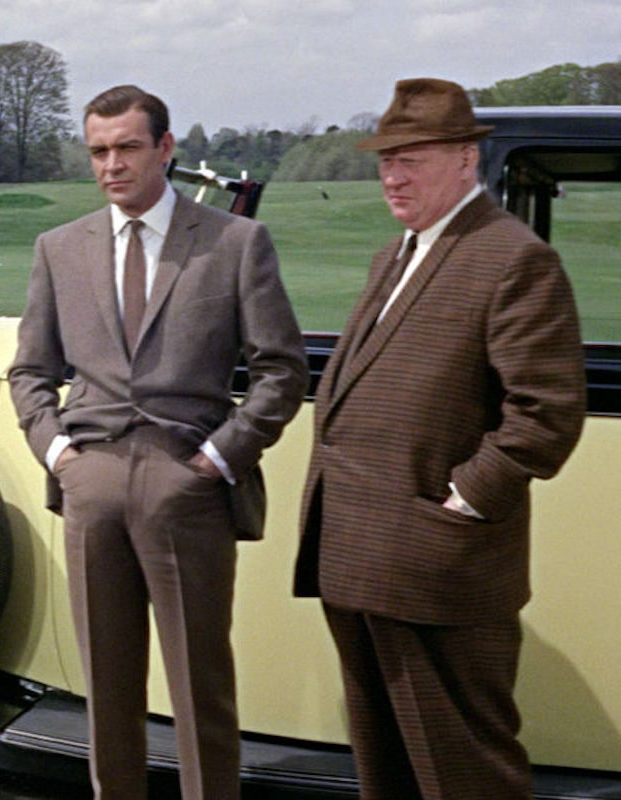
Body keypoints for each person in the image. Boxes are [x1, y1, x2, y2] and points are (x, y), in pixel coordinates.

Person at [8, 85, 308, 800]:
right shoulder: (59, 249)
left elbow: (282, 371)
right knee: (106, 689)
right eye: (99, 152)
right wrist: (60, 457)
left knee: (201, 684)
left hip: (188, 484)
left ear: (165, 149)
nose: (111, 165)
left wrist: (217, 459)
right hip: (92, 484)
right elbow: (29, 371)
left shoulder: (235, 242)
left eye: (127, 148)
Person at [293, 78, 587, 799]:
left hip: (436, 566)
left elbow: (545, 414)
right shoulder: (396, 255)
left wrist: (461, 503)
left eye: (413, 158)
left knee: (464, 772)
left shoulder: (512, 258)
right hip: (360, 559)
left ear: (466, 161)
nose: (393, 175)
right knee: (385, 766)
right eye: (386, 159)